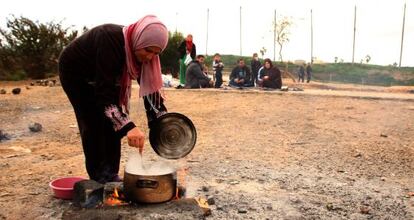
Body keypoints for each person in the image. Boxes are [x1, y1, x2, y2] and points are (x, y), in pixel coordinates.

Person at [58, 15, 169, 184]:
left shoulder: (143, 51)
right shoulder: (109, 39)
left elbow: (150, 90)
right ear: (139, 40)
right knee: (94, 120)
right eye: (147, 50)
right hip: (76, 74)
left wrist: (162, 121)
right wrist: (129, 127)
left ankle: (111, 175)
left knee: (112, 123)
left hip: (104, 75)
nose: (150, 57)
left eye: (156, 53)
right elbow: (104, 97)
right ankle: (101, 177)